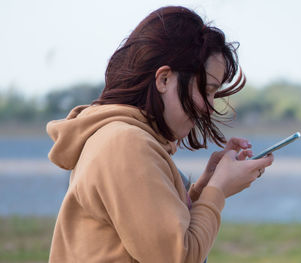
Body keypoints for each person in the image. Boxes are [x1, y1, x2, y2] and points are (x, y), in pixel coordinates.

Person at [47, 6, 274, 263]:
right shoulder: (125, 143)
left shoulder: (118, 137)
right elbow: (177, 256)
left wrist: (204, 187)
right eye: (207, 90)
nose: (210, 106)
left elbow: (158, 233)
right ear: (164, 79)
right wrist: (218, 190)